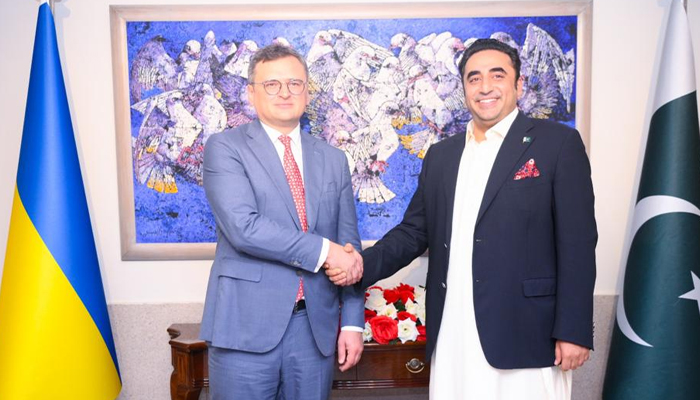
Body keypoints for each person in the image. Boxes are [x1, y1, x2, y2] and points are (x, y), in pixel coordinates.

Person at [329, 38, 597, 399]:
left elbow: (578, 243)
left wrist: (574, 329)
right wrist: (360, 265)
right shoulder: (442, 155)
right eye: (474, 78)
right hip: (453, 332)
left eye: (497, 75)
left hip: (527, 333)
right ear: (464, 89)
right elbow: (413, 232)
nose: (485, 86)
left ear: (518, 84)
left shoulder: (557, 144)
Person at [200, 43, 364, 400]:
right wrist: (325, 251)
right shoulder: (224, 148)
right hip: (244, 325)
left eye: (295, 83)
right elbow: (244, 227)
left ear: (307, 93)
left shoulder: (334, 159)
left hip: (314, 329)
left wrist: (352, 321)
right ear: (251, 94)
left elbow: (349, 246)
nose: (285, 92)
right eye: (271, 84)